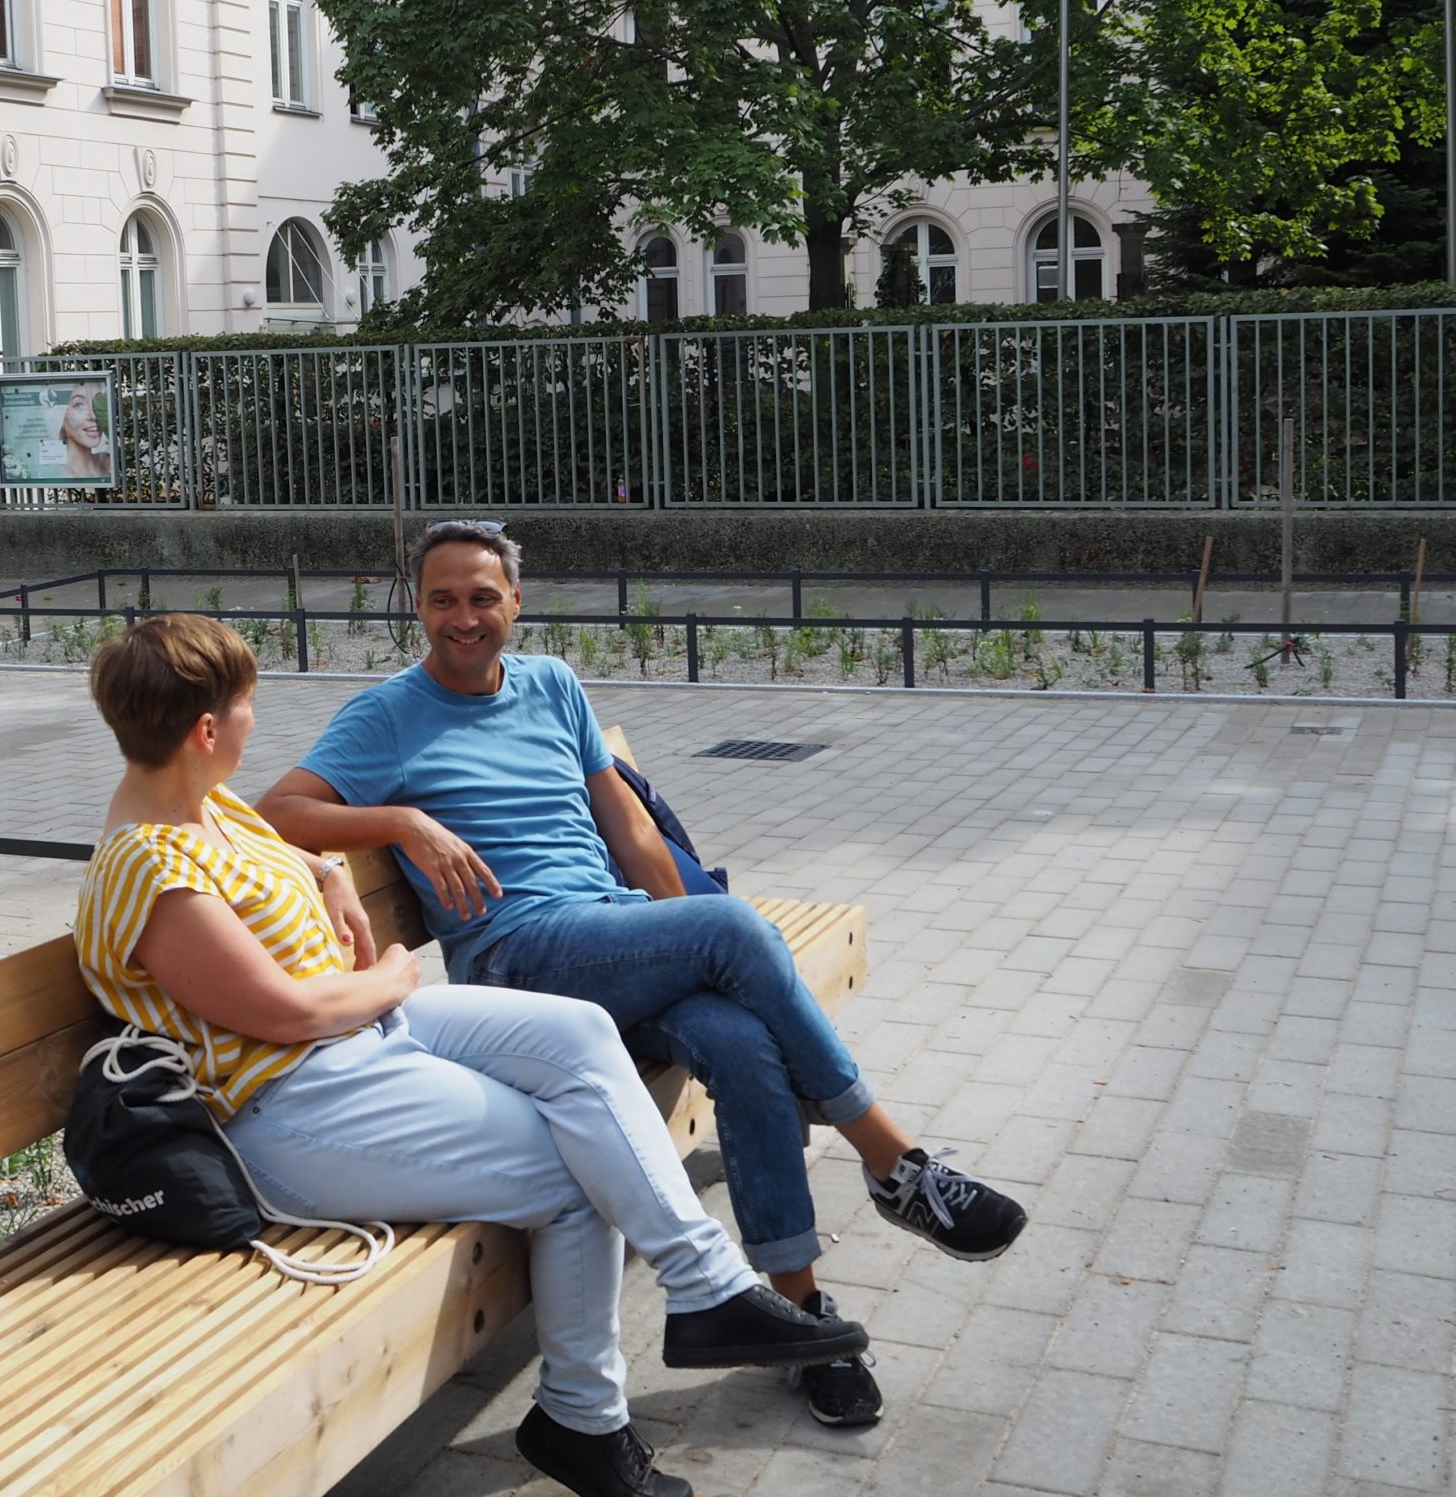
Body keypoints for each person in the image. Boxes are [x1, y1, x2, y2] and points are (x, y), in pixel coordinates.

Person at [73, 614, 867, 1497]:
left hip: (367, 1042)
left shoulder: (204, 802)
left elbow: (291, 835)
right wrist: (388, 975)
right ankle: (584, 1419)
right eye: (247, 707)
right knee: (577, 1168)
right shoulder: (149, 868)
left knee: (580, 1034)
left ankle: (704, 1287)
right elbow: (285, 1011)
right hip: (293, 1109)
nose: (257, 719)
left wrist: (333, 874)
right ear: (206, 731)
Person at [258, 524, 1028, 1430]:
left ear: (515, 601)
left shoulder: (551, 684)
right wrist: (403, 824)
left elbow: (628, 831)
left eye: (481, 596)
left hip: (615, 938)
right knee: (737, 927)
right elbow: (277, 810)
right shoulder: (387, 714)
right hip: (518, 960)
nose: (462, 617)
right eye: (441, 598)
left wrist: (686, 932)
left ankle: (801, 1313)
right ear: (417, 605)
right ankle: (893, 1162)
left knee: (741, 1041)